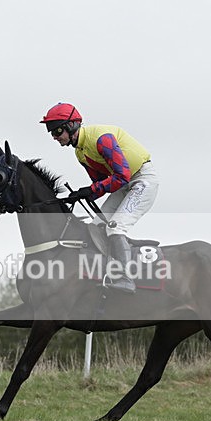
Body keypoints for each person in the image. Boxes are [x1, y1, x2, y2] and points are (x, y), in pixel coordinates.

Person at [40, 102, 159, 293]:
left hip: (142, 180)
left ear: (71, 125)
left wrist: (91, 189)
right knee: (96, 227)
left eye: (57, 131)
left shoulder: (101, 139)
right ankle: (106, 271)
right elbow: (102, 183)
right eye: (51, 133)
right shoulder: (80, 153)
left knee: (115, 227)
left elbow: (121, 176)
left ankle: (126, 278)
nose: (55, 137)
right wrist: (82, 194)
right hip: (124, 184)